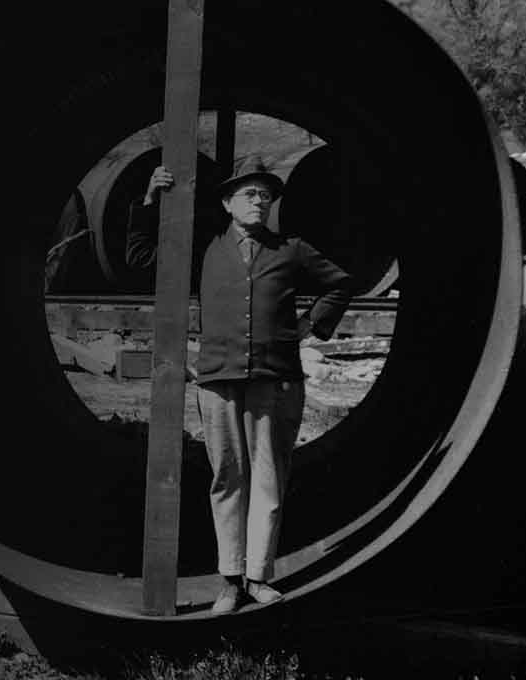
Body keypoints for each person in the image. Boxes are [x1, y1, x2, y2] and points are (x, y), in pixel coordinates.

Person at [127, 156, 356, 610]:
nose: (260, 201)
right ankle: (230, 579)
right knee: (227, 478)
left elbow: (340, 283)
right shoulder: (205, 249)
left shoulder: (290, 248)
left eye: (266, 195)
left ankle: (258, 578)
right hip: (217, 380)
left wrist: (313, 326)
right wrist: (149, 202)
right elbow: (141, 260)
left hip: (276, 382)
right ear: (228, 202)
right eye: (250, 193)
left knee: (268, 479)